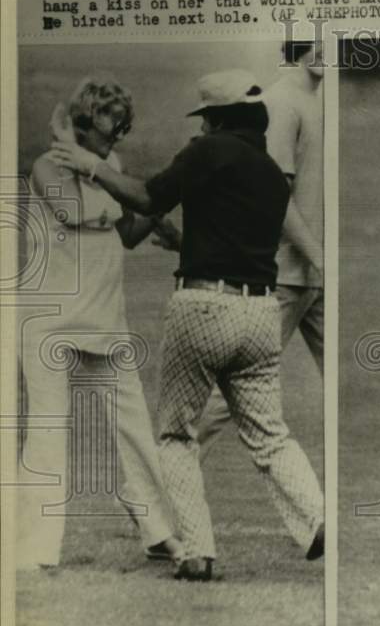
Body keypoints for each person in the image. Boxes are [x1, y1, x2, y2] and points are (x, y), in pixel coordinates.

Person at [49, 69, 325, 581]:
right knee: (270, 435)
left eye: (205, 119)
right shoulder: (270, 172)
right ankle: (317, 516)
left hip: (203, 307)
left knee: (177, 434)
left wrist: (92, 166)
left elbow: (147, 198)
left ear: (218, 118)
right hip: (261, 314)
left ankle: (197, 553)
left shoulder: (208, 151)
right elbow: (236, 236)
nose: (199, 129)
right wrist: (183, 241)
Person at [17, 76, 184, 570]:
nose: (117, 137)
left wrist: (159, 208)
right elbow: (74, 212)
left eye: (123, 127)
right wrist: (78, 158)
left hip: (105, 320)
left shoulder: (110, 167)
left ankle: (161, 532)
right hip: (49, 324)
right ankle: (35, 549)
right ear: (82, 125)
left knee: (135, 429)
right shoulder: (46, 166)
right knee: (48, 432)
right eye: (111, 127)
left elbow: (125, 231)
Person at [195, 40, 325, 455]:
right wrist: (320, 257)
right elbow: (275, 196)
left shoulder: (315, 100)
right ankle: (156, 479)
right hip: (286, 274)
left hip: (314, 276)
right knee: (233, 389)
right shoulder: (282, 103)